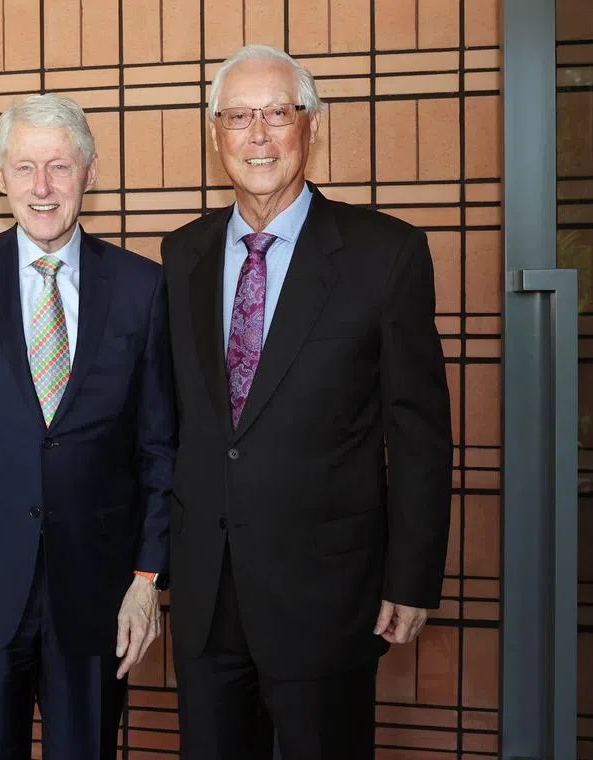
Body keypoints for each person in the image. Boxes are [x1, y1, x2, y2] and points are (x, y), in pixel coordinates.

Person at [161, 45, 452, 760]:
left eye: (277, 114)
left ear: (311, 126)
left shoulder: (385, 253)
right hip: (206, 594)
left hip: (328, 593)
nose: (257, 136)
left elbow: (418, 430)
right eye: (237, 117)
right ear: (214, 134)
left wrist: (411, 578)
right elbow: (173, 426)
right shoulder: (180, 256)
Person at [0, 93, 176, 759]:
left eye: (58, 166)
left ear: (90, 171)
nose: (42, 188)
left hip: (96, 592)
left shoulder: (143, 288)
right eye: (24, 168)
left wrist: (147, 579)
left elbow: (160, 446)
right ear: (0, 177)